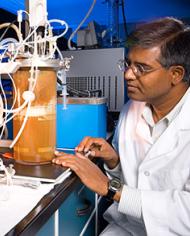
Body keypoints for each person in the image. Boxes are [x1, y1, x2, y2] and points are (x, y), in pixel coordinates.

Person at [52, 17, 190, 236]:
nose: (127, 75)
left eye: (141, 68)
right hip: (127, 228)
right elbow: (137, 180)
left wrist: (110, 188)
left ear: (176, 74)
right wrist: (114, 161)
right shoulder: (132, 110)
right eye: (128, 64)